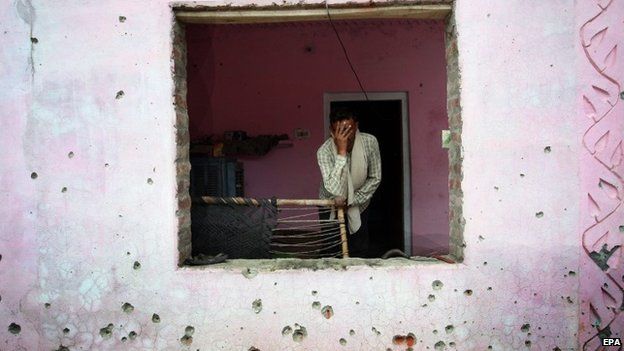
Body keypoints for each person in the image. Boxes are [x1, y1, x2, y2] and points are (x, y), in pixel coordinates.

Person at [317, 107, 381, 258]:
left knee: (359, 248)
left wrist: (353, 200)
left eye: (349, 130)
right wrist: (341, 152)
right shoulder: (324, 152)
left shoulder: (369, 142)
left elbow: (375, 177)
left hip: (360, 203)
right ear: (331, 131)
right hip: (330, 205)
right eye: (339, 131)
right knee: (332, 248)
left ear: (357, 126)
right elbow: (332, 187)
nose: (345, 135)